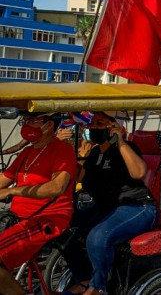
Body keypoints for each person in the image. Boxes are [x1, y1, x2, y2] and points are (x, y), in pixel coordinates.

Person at [61, 111, 157, 295]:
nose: (93, 127)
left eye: (99, 123)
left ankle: (98, 287)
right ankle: (84, 278)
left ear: (114, 127)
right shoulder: (95, 152)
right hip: (106, 208)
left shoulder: (127, 147)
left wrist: (119, 140)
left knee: (98, 236)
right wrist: (69, 152)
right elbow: (80, 177)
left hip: (138, 207)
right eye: (92, 124)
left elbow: (139, 173)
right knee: (64, 230)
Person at [0, 113, 76, 295]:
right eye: (24, 121)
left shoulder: (62, 150)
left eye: (32, 121)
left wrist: (13, 191)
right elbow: (3, 180)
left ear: (49, 125)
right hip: (20, 219)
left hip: (48, 219)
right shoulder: (26, 152)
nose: (26, 125)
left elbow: (57, 187)